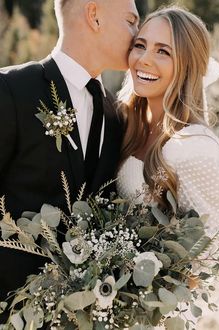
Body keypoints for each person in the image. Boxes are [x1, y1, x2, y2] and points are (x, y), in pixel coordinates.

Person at [0, 0, 139, 313]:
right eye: (131, 20)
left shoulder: (117, 117)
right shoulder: (10, 90)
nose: (137, 33)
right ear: (94, 16)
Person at [117, 6, 219, 240]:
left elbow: (209, 253)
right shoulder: (127, 123)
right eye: (140, 46)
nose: (144, 60)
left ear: (188, 66)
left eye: (163, 52)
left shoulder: (196, 148)